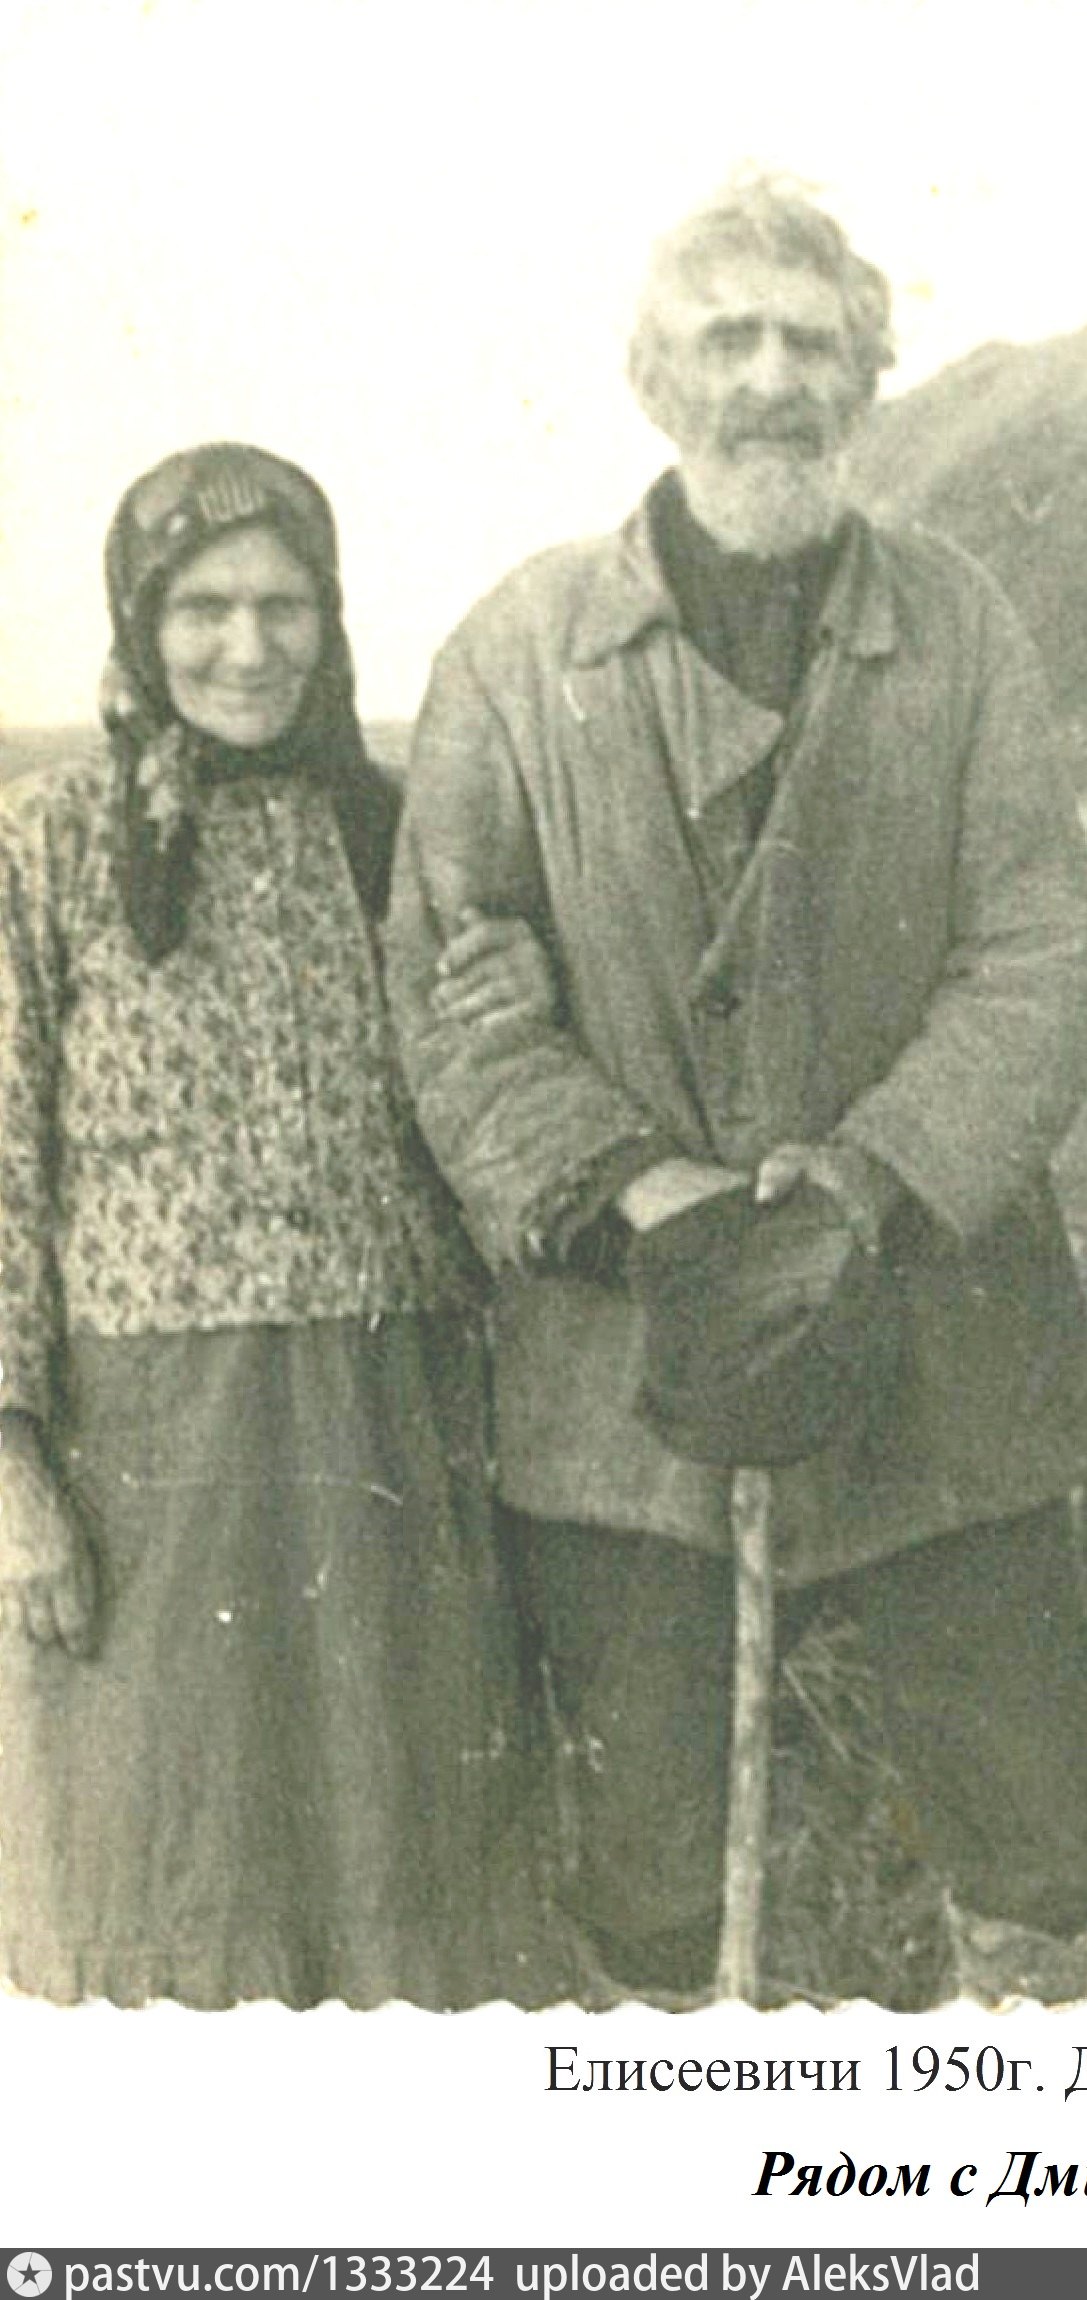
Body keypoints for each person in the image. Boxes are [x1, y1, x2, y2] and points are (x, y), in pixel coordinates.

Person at [386, 177, 1087, 2001]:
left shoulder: (960, 631)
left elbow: (1036, 952)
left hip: (938, 1356)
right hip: (624, 1385)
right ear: (656, 378)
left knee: (1025, 1849)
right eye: (731, 339)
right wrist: (656, 1204)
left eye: (811, 342)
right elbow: (456, 989)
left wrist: (862, 1185)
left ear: (864, 375)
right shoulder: (518, 654)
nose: (772, 379)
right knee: (650, 1883)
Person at [0, 442, 554, 2005]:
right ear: (140, 620)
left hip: (386, 1421)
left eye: (283, 606)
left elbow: (493, 1101)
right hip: (151, 1450)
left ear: (331, 618)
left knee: (397, 1842)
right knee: (164, 1851)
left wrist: (529, 991)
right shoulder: (46, 844)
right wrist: (12, 1463)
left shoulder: (399, 842)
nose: (247, 648)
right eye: (203, 607)